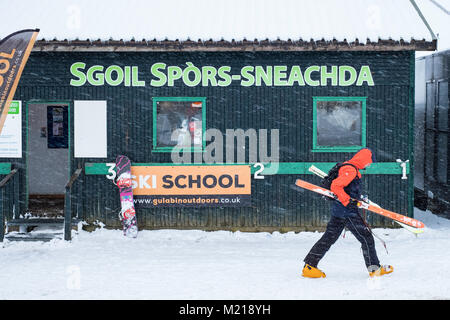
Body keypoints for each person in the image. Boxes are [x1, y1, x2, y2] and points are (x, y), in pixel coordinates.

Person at [302, 148, 393, 278]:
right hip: (347, 212)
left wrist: (359, 199)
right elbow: (336, 186)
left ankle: (309, 266)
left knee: (328, 238)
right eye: (369, 162)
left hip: (340, 210)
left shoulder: (350, 168)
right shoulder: (350, 170)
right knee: (366, 238)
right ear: (364, 160)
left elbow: (348, 190)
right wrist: (348, 201)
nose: (369, 165)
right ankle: (374, 269)